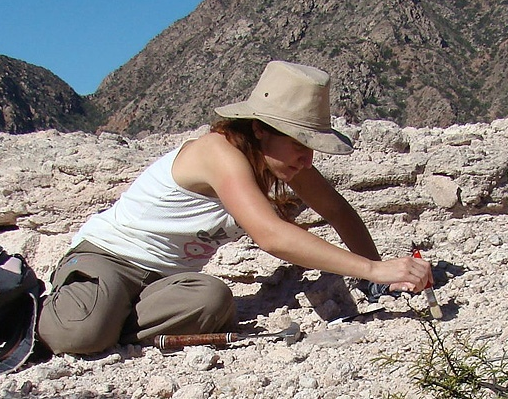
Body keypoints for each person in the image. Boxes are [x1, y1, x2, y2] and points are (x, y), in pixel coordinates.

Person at [37, 60, 433, 354]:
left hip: (166, 283)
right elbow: (270, 235)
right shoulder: (219, 152)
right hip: (110, 258)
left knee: (213, 301)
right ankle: (69, 306)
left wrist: (377, 281)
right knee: (80, 336)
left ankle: (108, 316)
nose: (307, 159)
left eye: (311, 147)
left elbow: (338, 212)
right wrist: (372, 268)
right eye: (299, 143)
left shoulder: (283, 160)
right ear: (260, 129)